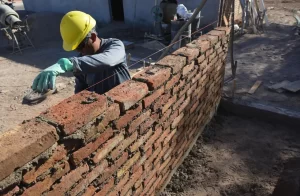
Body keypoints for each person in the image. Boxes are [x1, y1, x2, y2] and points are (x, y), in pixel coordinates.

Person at [31, 11, 131, 95]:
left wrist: (70, 64)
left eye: (80, 46)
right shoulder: (81, 62)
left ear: (93, 37)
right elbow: (81, 91)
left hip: (127, 101)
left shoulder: (115, 45)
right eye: (75, 48)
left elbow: (108, 60)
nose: (79, 51)